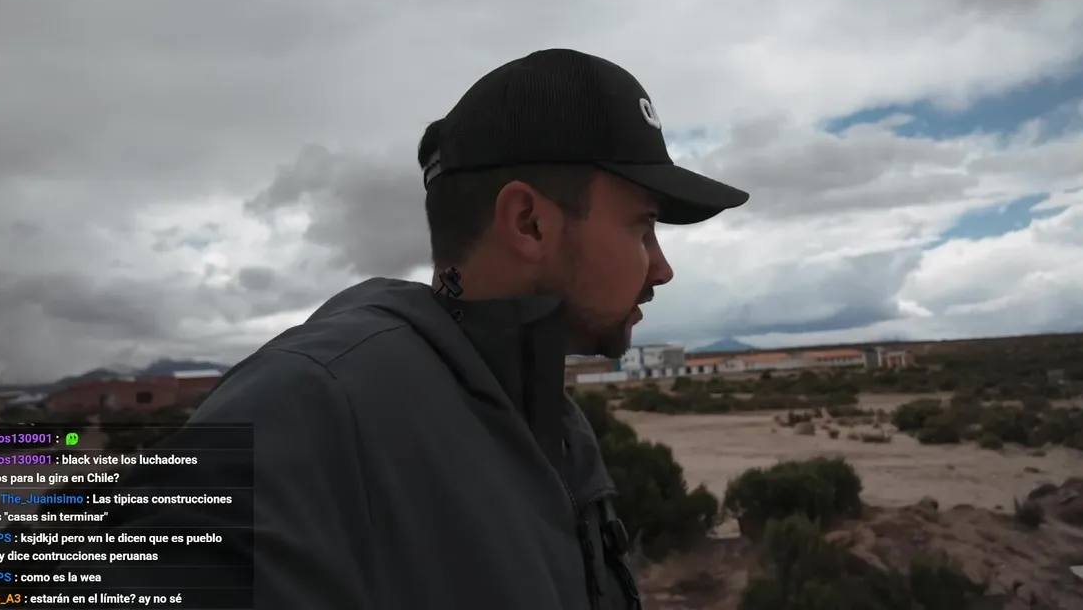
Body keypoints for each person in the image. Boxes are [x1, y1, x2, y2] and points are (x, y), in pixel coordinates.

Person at [88, 49, 749, 609]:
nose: (661, 268)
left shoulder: (548, 416)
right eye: (643, 226)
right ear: (529, 223)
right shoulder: (314, 403)